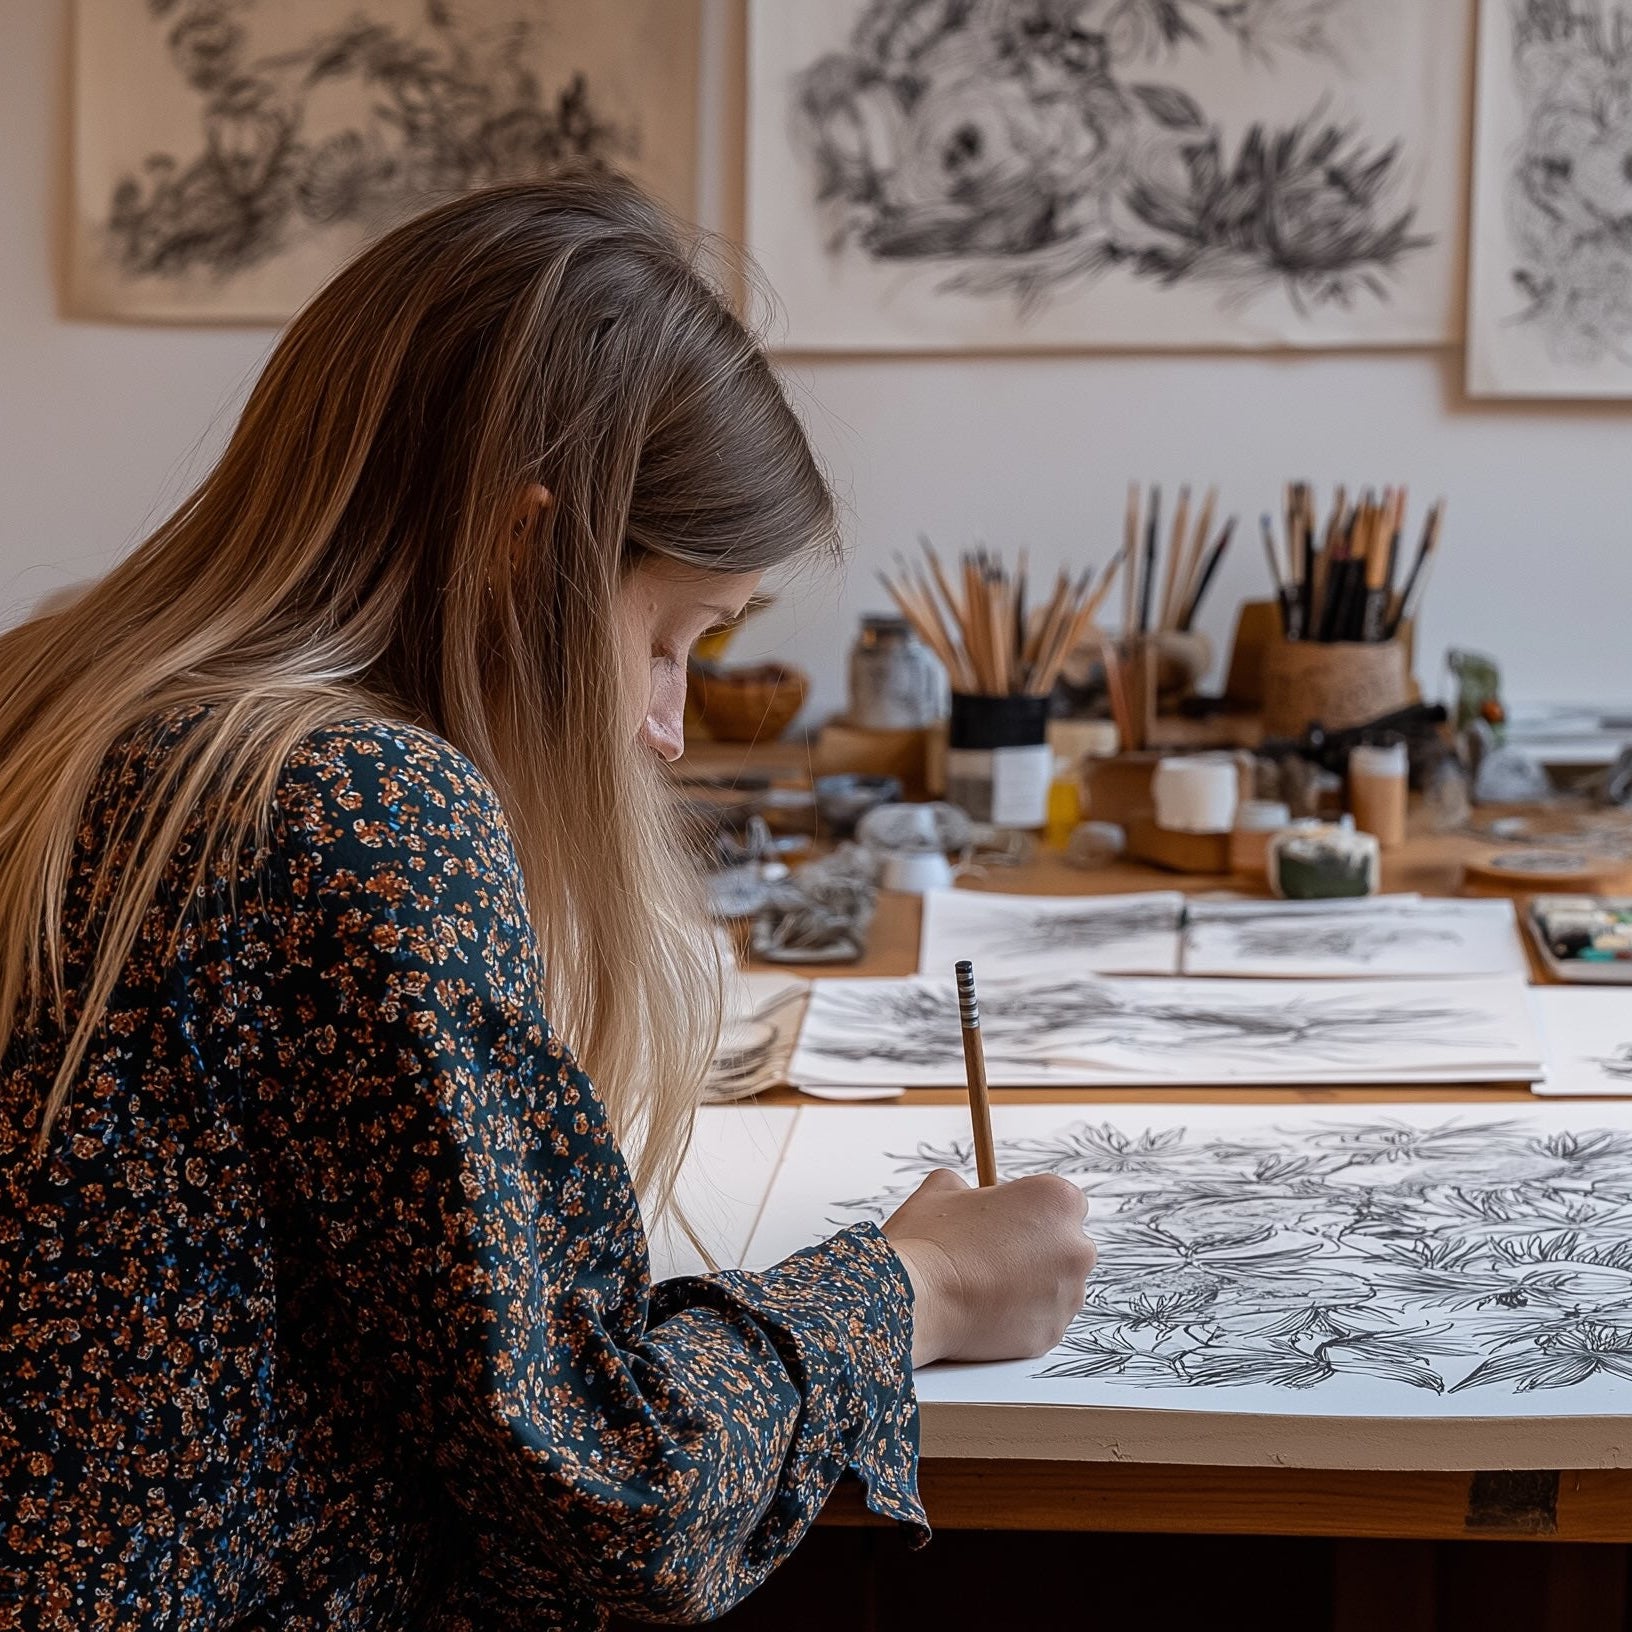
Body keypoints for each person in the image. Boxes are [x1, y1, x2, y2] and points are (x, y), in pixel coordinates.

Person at [0, 173, 1097, 1629]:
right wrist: (925, 1285)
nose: (672, 729)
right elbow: (616, 1504)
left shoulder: (56, 699)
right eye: (669, 637)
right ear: (527, 550)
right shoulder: (357, 814)